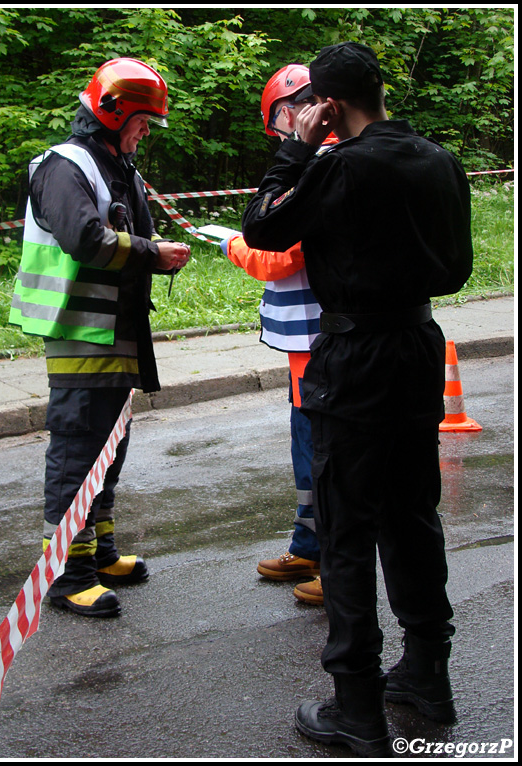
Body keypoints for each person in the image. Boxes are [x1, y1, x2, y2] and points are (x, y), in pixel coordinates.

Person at [242, 42, 473, 757]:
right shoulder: (439, 160)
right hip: (416, 347)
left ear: (329, 107)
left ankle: (357, 708)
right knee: (412, 513)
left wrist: (294, 150)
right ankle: (428, 675)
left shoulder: (335, 164)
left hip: (353, 357)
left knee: (346, 529)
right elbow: (459, 270)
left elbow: (263, 227)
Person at [9, 58, 190, 618]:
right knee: (79, 449)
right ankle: (65, 574)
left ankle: (99, 551)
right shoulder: (65, 166)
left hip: (117, 332)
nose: (145, 132)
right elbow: (86, 240)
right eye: (142, 120)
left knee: (109, 451)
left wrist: (157, 258)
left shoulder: (118, 166)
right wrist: (149, 253)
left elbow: (131, 238)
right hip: (80, 332)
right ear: (112, 112)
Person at [221, 64, 337, 604]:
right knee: (306, 449)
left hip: (322, 342)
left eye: (277, 122)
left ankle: (334, 565)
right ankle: (308, 547)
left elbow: (279, 255)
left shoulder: (323, 163)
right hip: (305, 344)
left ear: (291, 110)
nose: (279, 133)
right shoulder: (317, 159)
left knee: (324, 452)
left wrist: (231, 245)